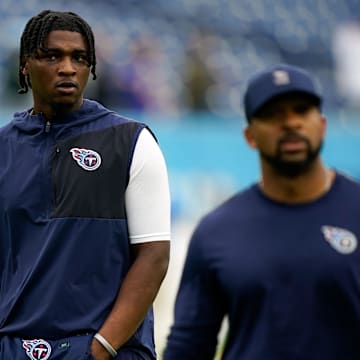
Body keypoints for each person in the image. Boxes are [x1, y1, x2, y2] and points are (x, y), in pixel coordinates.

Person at [0, 10, 171, 360]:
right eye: (52, 56)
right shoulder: (3, 147)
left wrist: (100, 348)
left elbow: (153, 257)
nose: (67, 68)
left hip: (108, 352)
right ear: (24, 65)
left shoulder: (132, 142)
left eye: (79, 58)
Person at [164, 64, 360, 359]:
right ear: (249, 136)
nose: (291, 123)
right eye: (273, 114)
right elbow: (189, 346)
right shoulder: (216, 232)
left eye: (301, 110)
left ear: (322, 125)